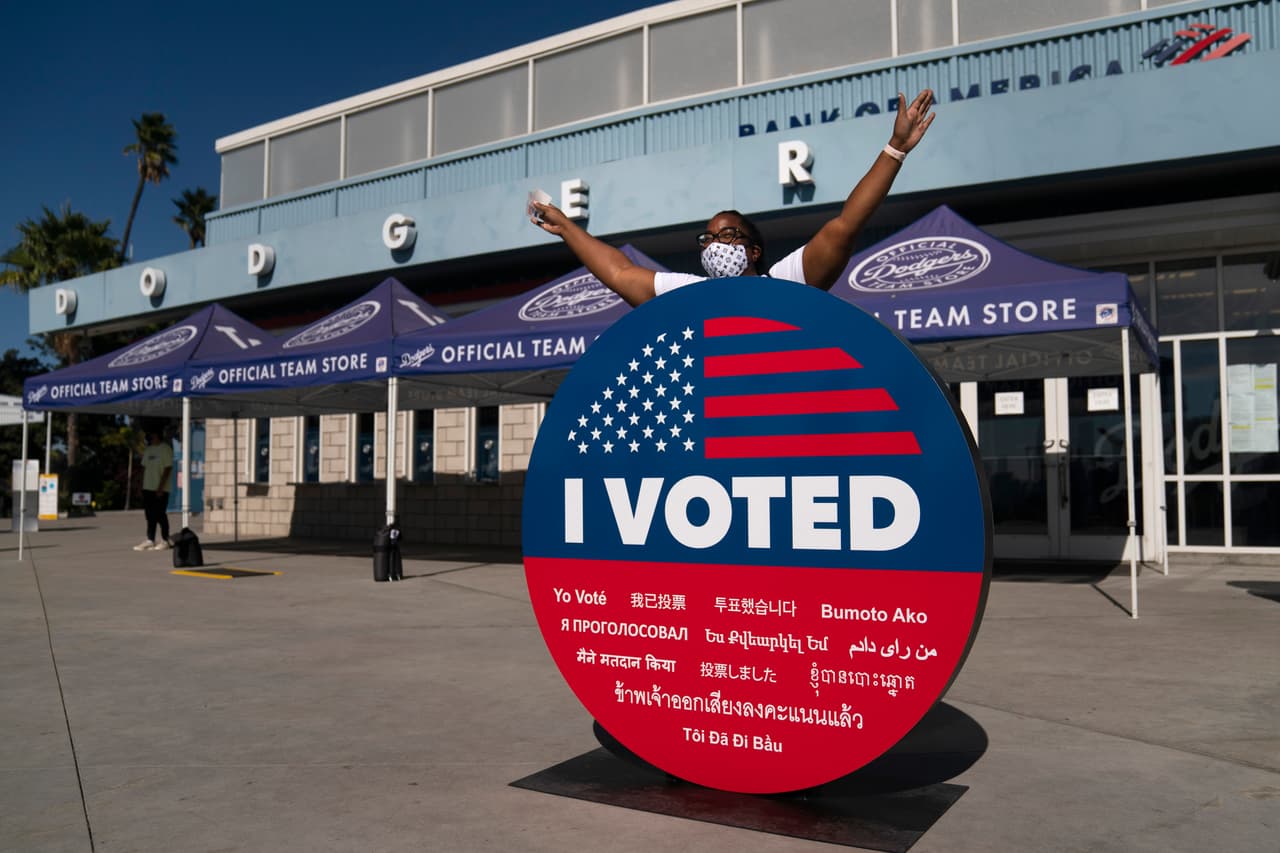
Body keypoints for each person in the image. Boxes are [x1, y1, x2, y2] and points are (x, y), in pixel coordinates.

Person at [530, 89, 936, 305]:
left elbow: (846, 224)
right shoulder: (690, 294)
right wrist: (566, 227)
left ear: (754, 251)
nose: (714, 245)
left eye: (726, 235)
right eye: (707, 238)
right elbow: (620, 273)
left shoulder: (786, 282)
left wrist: (896, 149)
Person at [135, 428, 174, 551]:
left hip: (160, 488)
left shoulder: (165, 449)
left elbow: (168, 468)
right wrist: (140, 486)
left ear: (157, 435)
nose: (149, 437)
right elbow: (143, 468)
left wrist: (161, 487)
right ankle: (150, 540)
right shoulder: (148, 450)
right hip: (148, 487)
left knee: (160, 514)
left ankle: (165, 540)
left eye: (151, 434)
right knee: (149, 515)